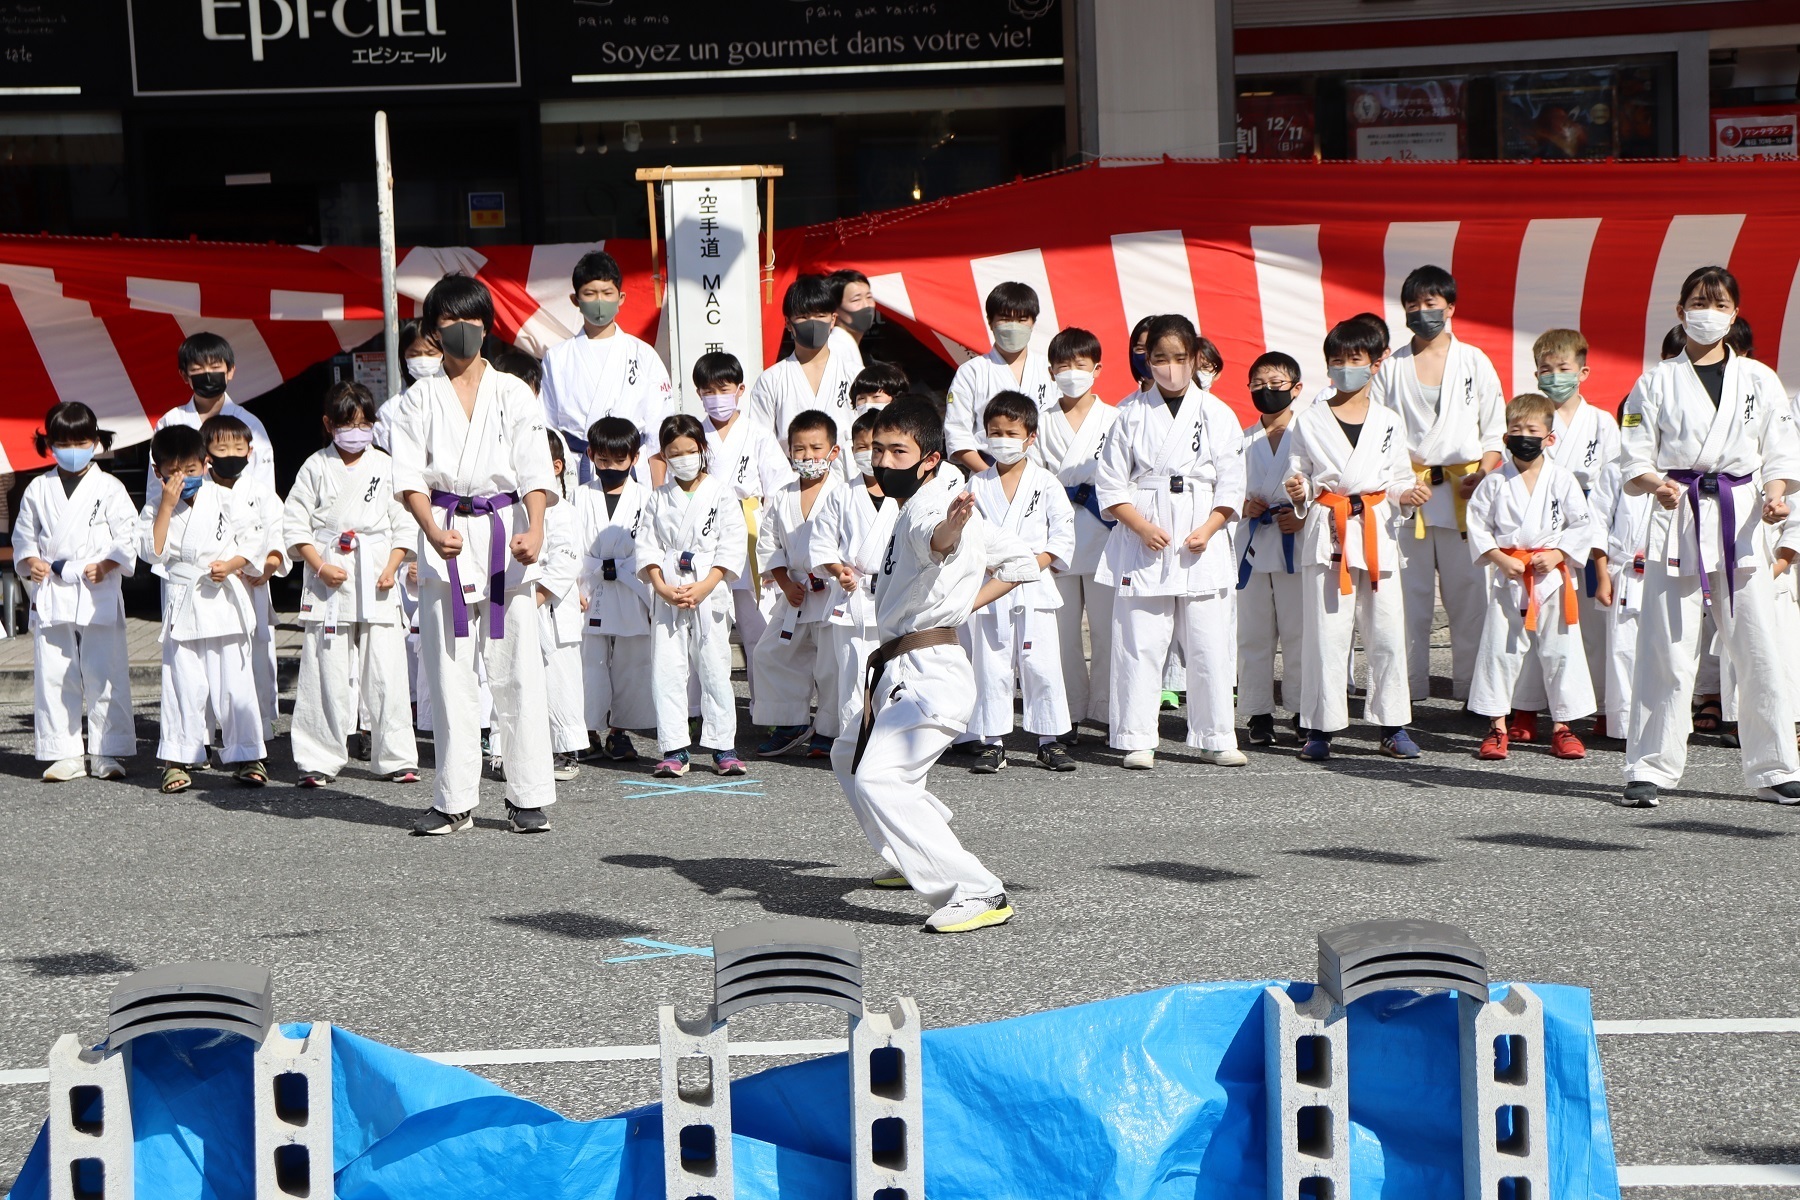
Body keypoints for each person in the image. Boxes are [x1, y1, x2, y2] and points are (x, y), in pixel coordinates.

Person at [829, 398, 1040, 932]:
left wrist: (952, 537)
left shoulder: (936, 505)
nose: (883, 461)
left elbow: (938, 540)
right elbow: (1017, 561)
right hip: (906, 667)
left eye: (898, 451)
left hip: (928, 672)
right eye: (878, 449)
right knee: (846, 755)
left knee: (879, 779)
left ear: (929, 457)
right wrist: (961, 599)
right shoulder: (932, 499)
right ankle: (913, 855)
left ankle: (977, 890)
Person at [1616, 265, 1800, 807]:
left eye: (1719, 304)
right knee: (1667, 647)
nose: (1708, 313)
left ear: (1734, 314)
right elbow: (1634, 455)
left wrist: (1775, 493)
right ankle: (1649, 766)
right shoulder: (1653, 382)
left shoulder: (1760, 379)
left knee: (1758, 645)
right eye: (1699, 302)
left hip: (1741, 518)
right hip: (1680, 515)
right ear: (1680, 312)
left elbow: (1781, 450)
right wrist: (1657, 485)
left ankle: (1775, 767)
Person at [387, 273, 560, 835]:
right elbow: (408, 474)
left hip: (504, 531)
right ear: (433, 331)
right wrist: (428, 528)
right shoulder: (417, 398)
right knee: (449, 671)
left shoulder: (513, 390)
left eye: (472, 320)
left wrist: (535, 528)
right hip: (446, 534)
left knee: (516, 669)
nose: (462, 331)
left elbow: (535, 467)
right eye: (450, 322)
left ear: (487, 325)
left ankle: (528, 794)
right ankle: (455, 799)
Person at [1094, 313, 1247, 770]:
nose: (1171, 367)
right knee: (1139, 640)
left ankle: (1218, 734)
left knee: (1209, 641)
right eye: (1160, 358)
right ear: (1146, 360)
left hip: (1201, 534)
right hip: (1146, 535)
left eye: (1180, 358)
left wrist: (1211, 526)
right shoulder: (1129, 414)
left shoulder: (1218, 413)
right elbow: (1111, 485)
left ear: (1197, 359)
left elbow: (1232, 483)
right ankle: (1137, 736)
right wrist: (1139, 526)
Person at [1283, 319, 1424, 761]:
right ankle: (1320, 729)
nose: (1346, 368)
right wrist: (1298, 491)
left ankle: (1393, 724)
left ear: (1376, 363)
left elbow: (1398, 480)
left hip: (1376, 531)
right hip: (1329, 532)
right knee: (1326, 635)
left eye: (1355, 360)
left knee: (1385, 633)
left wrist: (1409, 494)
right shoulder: (1309, 421)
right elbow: (1299, 473)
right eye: (1337, 361)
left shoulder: (1388, 421)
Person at [1368, 265, 1505, 704]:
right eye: (1413, 305)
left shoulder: (1475, 361)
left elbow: (1494, 430)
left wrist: (1482, 475)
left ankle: (1475, 692)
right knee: (1410, 599)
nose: (1422, 312)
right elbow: (1379, 435)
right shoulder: (1392, 369)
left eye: (1430, 304)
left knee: (1470, 598)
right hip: (1411, 495)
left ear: (1449, 307)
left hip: (1467, 494)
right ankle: (1406, 691)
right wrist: (1403, 480)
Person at [282, 382, 418, 787]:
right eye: (347, 424)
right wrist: (319, 565)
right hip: (329, 575)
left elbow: (403, 522)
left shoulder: (386, 465)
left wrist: (393, 566)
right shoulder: (314, 466)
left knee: (387, 670)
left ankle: (395, 757)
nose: (356, 432)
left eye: (363, 424)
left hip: (376, 571)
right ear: (329, 424)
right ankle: (317, 758)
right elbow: (294, 523)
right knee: (325, 669)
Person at [1465, 393, 1597, 760]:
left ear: (1549, 438)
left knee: (1561, 652)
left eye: (1532, 429)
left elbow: (1583, 523)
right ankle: (1496, 727)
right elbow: (1477, 525)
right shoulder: (1493, 483)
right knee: (1500, 651)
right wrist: (1496, 557)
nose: (1523, 435)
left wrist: (1558, 553)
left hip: (1552, 579)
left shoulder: (1563, 479)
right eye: (1515, 429)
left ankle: (1564, 727)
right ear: (1505, 437)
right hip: (1509, 576)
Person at [1504, 329, 1620, 743]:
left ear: (1583, 371)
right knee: (1532, 625)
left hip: (1586, 524)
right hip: (1537, 533)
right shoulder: (1526, 420)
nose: (1554, 376)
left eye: (1563, 368)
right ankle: (1526, 708)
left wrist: (1599, 540)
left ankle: (1605, 708)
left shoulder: (1602, 423)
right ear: (1535, 374)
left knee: (1591, 626)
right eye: (1546, 369)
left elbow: (1611, 485)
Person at [13, 402, 137, 781]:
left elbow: (129, 536)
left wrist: (108, 564)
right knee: (55, 670)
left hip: (96, 584)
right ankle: (63, 751)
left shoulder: (110, 488)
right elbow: (24, 536)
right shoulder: (38, 487)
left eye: (80, 441)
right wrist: (29, 559)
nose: (72, 449)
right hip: (53, 585)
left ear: (96, 442)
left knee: (106, 668)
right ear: (48, 444)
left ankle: (106, 750)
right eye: (63, 442)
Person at [140, 424, 266, 793]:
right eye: (172, 473)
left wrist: (231, 564)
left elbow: (253, 539)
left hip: (222, 598)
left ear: (205, 463)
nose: (182, 480)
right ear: (157, 470)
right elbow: (151, 551)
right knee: (183, 685)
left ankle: (247, 755)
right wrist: (165, 505)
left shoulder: (224, 498)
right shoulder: (154, 506)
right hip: (183, 602)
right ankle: (177, 759)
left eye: (190, 471)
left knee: (234, 683)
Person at [962, 391, 1077, 772]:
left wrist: (1030, 565)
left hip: (1034, 585)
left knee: (1041, 665)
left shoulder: (1046, 483)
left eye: (1011, 432)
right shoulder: (976, 484)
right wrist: (995, 568)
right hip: (991, 586)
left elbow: (1062, 534)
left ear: (1030, 436)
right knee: (991, 667)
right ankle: (992, 741)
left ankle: (1050, 740)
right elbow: (965, 535)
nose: (1002, 440)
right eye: (994, 432)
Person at [639, 412, 748, 779]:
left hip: (708, 589)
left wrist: (705, 586)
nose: (683, 458)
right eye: (674, 453)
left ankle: (722, 747)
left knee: (715, 668)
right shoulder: (657, 498)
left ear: (702, 449)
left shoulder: (722, 494)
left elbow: (731, 548)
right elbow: (648, 547)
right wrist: (661, 586)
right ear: (664, 457)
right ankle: (674, 748)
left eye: (690, 450)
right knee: (667, 671)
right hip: (669, 589)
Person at [752, 409, 855, 759]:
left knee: (830, 665)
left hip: (831, 593)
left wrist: (841, 572)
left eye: (816, 448)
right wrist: (783, 582)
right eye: (799, 449)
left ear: (834, 452)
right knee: (771, 654)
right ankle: (790, 722)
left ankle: (827, 731)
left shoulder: (846, 494)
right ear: (789, 452)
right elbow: (768, 545)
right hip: (794, 594)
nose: (808, 456)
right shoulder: (782, 496)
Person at [1032, 326, 1119, 737]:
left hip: (1105, 532)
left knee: (1108, 629)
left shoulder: (1117, 418)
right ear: (1051, 371)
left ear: (1097, 369)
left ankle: (1105, 710)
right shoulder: (1038, 422)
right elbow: (1031, 478)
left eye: (1080, 365)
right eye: (1063, 366)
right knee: (1062, 633)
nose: (1071, 373)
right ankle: (1063, 715)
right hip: (1057, 536)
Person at [693, 351, 794, 692]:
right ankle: (702, 708)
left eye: (724, 389)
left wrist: (773, 546)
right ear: (698, 394)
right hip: (709, 535)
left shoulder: (758, 434)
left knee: (758, 628)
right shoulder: (693, 436)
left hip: (752, 529)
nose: (717, 398)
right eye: (709, 391)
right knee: (707, 627)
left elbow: (779, 490)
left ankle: (766, 707)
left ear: (740, 389)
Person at [540, 249, 673, 480]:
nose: (599, 301)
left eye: (607, 292)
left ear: (620, 298)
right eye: (590, 293)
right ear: (576, 300)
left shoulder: (643, 354)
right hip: (578, 467)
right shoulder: (557, 357)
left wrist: (658, 490)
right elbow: (546, 425)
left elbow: (657, 430)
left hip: (632, 467)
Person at [1236, 352, 1308, 746]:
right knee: (1252, 633)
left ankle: (1300, 710)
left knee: (1299, 632)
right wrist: (1242, 507)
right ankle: (1258, 713)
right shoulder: (1240, 440)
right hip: (1250, 543)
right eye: (1258, 384)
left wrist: (1302, 512)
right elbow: (1223, 491)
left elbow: (1325, 484)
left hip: (1295, 543)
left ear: (1296, 388)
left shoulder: (1310, 434)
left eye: (1276, 383)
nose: (1266, 391)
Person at [574, 416, 656, 762]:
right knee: (588, 661)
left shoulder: (646, 497)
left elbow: (652, 545)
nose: (610, 467)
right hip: (590, 586)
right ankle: (587, 730)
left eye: (618, 461)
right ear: (591, 455)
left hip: (631, 585)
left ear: (634, 459)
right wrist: (573, 587)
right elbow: (571, 545)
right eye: (603, 460)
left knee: (632, 662)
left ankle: (620, 732)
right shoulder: (578, 496)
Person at [201, 413, 285, 742]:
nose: (232, 454)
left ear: (250, 451)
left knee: (256, 657)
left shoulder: (261, 492)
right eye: (222, 448)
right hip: (212, 588)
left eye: (239, 446)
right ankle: (205, 733)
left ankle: (258, 727)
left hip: (252, 585)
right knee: (210, 659)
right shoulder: (199, 493)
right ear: (206, 454)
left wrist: (270, 564)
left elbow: (279, 531)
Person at [746, 275, 864, 478]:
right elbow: (761, 445)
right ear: (788, 323)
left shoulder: (855, 375)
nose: (812, 323)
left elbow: (869, 435)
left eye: (820, 316)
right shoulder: (771, 380)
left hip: (848, 484)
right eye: (802, 317)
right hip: (790, 486)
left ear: (833, 319)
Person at [148, 333, 278, 508]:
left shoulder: (250, 424)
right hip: (181, 521)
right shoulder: (171, 421)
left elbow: (265, 487)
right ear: (184, 375)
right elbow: (156, 486)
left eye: (215, 367)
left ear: (230, 371)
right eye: (197, 369)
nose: (207, 375)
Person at [945, 282, 1055, 474]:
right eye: (1005, 319)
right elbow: (957, 433)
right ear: (990, 322)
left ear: (1033, 323)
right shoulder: (971, 372)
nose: (1014, 327)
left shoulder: (1049, 369)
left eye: (1022, 320)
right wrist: (990, 475)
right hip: (987, 471)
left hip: (1043, 475)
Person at [829, 268, 876, 350]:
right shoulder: (832, 350)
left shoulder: (852, 348)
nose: (866, 305)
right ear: (835, 309)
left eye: (869, 297)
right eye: (856, 300)